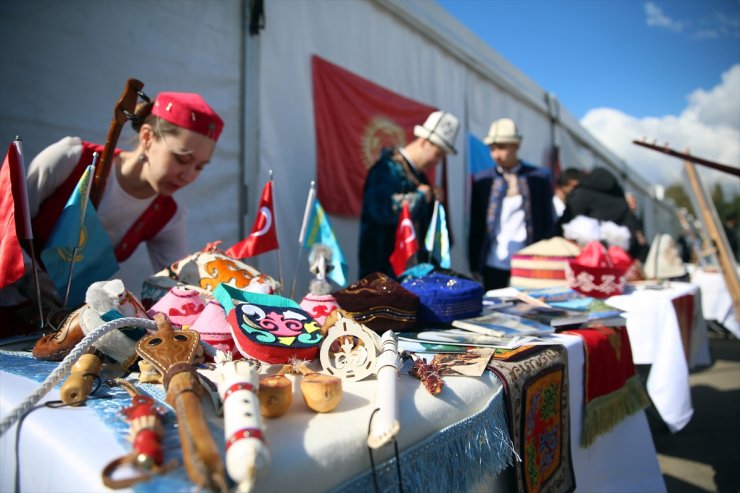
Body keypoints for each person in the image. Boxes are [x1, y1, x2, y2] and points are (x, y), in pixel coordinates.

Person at [3, 91, 223, 319]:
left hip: (55, 323)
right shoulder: (70, 159)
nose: (188, 176)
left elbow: (179, 288)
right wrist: (29, 276)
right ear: (147, 138)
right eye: (182, 159)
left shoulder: (167, 216)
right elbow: (7, 223)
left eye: (200, 167)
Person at [358, 110, 460, 279]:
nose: (437, 161)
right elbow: (378, 211)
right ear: (425, 142)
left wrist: (434, 202)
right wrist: (419, 198)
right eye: (438, 154)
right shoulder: (386, 170)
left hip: (410, 275)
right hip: (382, 275)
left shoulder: (419, 176)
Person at [468, 118, 557, 291]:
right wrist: (474, 264)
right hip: (492, 262)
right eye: (492, 149)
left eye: (501, 147)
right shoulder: (482, 180)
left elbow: (548, 220)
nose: (496, 155)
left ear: (516, 145)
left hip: (529, 261)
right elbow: (476, 225)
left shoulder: (539, 178)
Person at [559, 167, 644, 259]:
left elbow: (563, 225)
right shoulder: (621, 201)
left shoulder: (581, 194)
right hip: (615, 261)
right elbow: (632, 238)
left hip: (585, 258)